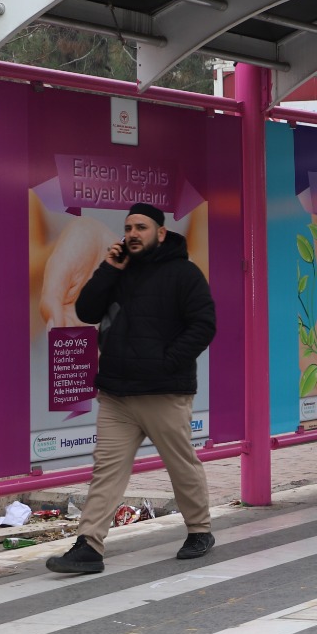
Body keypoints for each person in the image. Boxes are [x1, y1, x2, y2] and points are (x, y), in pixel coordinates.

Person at [47, 203, 217, 575]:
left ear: (161, 232)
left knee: (180, 464)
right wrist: (108, 269)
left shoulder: (184, 273)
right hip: (116, 395)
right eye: (128, 228)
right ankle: (88, 545)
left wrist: (167, 362)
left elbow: (204, 325)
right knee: (106, 471)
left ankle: (199, 530)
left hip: (163, 392)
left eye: (141, 227)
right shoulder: (118, 271)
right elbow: (87, 311)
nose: (133, 234)